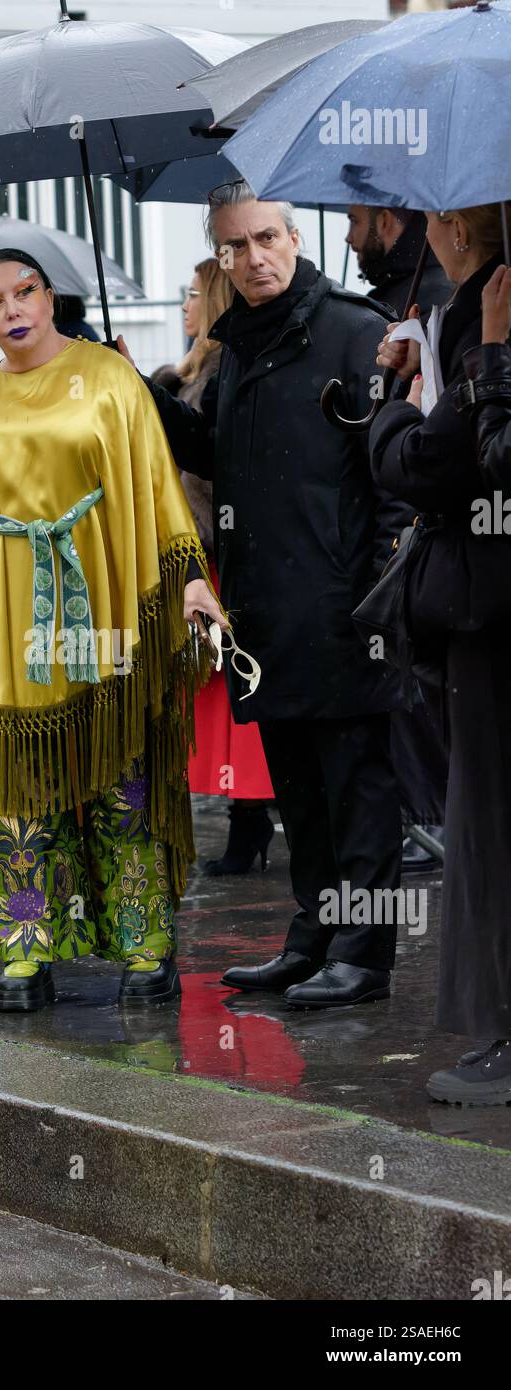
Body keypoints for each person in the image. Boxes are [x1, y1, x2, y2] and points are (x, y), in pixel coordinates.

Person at [0, 247, 227, 1013]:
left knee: (124, 780)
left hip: (107, 606)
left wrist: (188, 581)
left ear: (50, 297)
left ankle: (146, 943)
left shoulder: (111, 378)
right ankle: (27, 950)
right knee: (25, 792)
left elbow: (157, 489)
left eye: (24, 292)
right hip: (12, 617)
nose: (11, 310)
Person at [119, 179, 410, 1009]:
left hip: (347, 609)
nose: (252, 259)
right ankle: (314, 940)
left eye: (264, 240)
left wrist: (380, 593)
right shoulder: (238, 341)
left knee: (359, 791)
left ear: (294, 237)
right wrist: (145, 394)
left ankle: (366, 955)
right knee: (301, 796)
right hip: (265, 617)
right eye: (233, 247)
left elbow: (389, 473)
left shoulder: (356, 332)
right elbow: (220, 454)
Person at [370, 205, 511, 1104]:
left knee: (490, 827)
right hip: (483, 610)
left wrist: (466, 369)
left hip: (492, 610)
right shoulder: (466, 312)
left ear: (458, 224)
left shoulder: (485, 314)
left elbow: (441, 463)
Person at [151, 258, 274, 875]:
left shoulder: (225, 372)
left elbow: (205, 455)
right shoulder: (188, 371)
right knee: (214, 694)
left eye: (194, 295)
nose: (185, 306)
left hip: (218, 554)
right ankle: (244, 818)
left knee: (232, 691)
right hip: (198, 553)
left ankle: (250, 820)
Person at [347, 204, 452, 872]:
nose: (351, 238)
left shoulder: (426, 306)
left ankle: (431, 821)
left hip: (419, 540)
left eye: (357, 223)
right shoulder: (408, 300)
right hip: (422, 538)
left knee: (417, 694)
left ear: (389, 222)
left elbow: (411, 449)